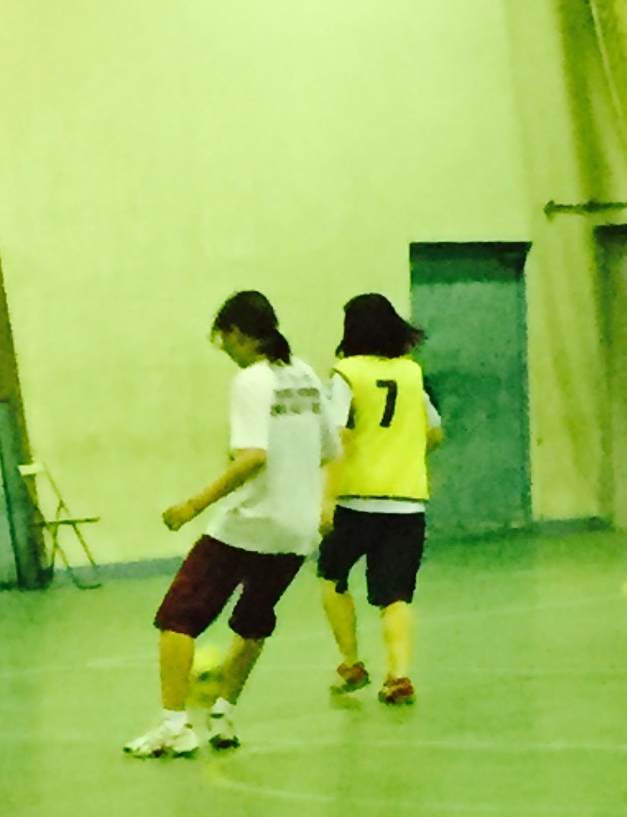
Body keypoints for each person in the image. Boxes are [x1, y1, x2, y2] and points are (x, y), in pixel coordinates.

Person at [127, 290, 338, 758]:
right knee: (253, 620)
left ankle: (174, 725)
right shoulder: (305, 375)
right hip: (297, 529)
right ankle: (223, 715)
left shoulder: (251, 381)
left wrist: (193, 504)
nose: (224, 350)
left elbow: (253, 457)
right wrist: (317, 501)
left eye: (223, 340)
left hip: (250, 524)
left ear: (238, 333)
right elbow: (328, 449)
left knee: (177, 617)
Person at [317, 291, 445, 706]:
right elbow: (434, 432)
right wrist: (403, 455)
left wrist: (326, 498)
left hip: (357, 499)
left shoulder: (346, 373)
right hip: (407, 502)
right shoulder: (411, 373)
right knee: (396, 596)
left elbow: (338, 437)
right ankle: (399, 675)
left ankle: (351, 662)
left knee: (332, 577)